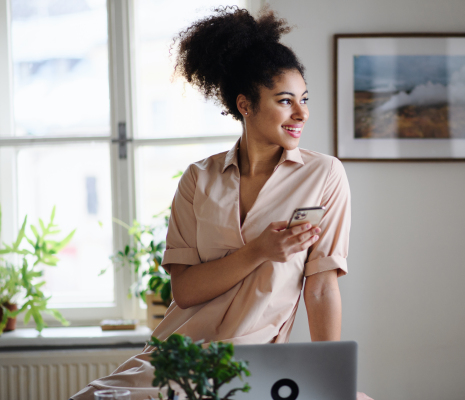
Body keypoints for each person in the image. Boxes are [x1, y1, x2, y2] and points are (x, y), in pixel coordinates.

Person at [72, 6, 372, 400]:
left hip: (252, 365)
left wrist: (330, 378)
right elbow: (185, 291)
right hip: (176, 356)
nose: (302, 112)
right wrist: (260, 250)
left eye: (304, 98)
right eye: (285, 101)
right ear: (245, 105)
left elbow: (320, 287)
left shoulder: (323, 175)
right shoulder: (198, 178)